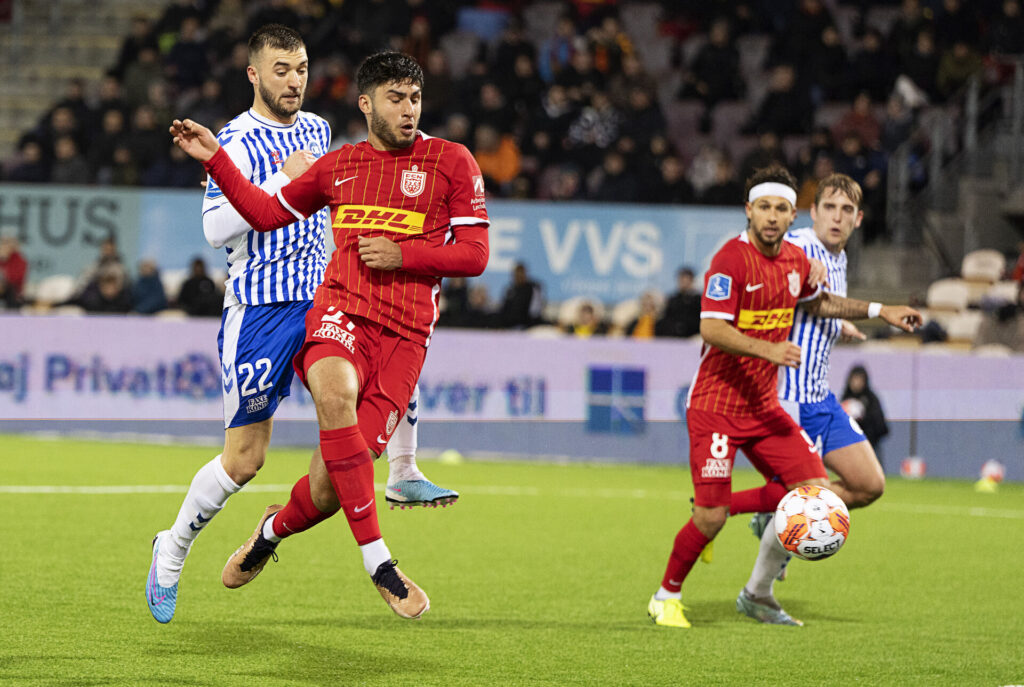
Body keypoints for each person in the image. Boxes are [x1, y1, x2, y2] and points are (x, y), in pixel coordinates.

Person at [145, 30, 456, 625]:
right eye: (281, 69)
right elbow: (216, 231)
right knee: (244, 461)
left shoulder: (316, 128)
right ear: (254, 75)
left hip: (325, 298)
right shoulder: (234, 138)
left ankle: (402, 473)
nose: (294, 80)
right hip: (261, 311)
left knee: (368, 395)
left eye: (302, 68)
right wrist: (280, 182)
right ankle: (174, 547)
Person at [646, 166, 920, 629]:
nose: (772, 217)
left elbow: (820, 303)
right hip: (716, 406)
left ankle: (752, 567)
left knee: (815, 491)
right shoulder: (729, 260)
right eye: (764, 208)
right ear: (749, 211)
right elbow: (711, 328)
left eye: (780, 209)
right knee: (709, 520)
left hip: (763, 406)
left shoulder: (796, 261)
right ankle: (665, 595)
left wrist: (880, 312)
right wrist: (769, 349)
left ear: (792, 215)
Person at [741, 174, 919, 626]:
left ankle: (777, 515)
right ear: (812, 212)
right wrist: (880, 311)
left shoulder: (835, 258)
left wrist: (842, 325)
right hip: (786, 402)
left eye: (846, 211)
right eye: (829, 208)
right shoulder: (797, 246)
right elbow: (762, 254)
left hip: (820, 398)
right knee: (813, 504)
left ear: (858, 220)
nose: (836, 217)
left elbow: (816, 308)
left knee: (869, 485)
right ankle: (757, 594)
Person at [656, 268, 701, 338]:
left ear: (692, 281)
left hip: (691, 335)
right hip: (672, 335)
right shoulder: (672, 299)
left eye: (686, 280)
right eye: (681, 280)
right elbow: (667, 317)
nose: (683, 283)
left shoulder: (698, 300)